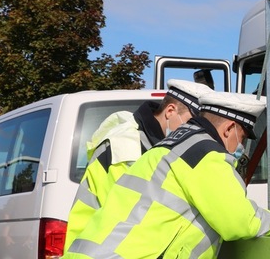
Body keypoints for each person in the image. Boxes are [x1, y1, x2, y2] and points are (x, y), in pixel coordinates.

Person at [65, 91, 270, 258]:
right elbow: (241, 222)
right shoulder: (206, 154)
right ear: (229, 128)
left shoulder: (169, 146)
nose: (239, 147)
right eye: (241, 138)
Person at [64, 79, 213, 253]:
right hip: (99, 250)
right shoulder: (128, 146)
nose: (195, 133)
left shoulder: (153, 145)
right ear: (170, 111)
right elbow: (129, 216)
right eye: (191, 124)